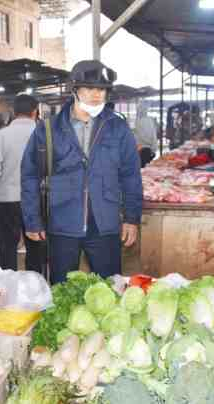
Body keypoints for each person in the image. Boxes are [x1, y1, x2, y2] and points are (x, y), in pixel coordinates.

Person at [21, 60, 143, 285]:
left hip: (105, 223)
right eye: (89, 88)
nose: (97, 95)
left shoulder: (118, 128)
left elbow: (131, 175)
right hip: (62, 222)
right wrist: (32, 220)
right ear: (74, 90)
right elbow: (30, 174)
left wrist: (132, 218)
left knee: (110, 289)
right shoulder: (48, 129)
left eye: (102, 90)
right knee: (62, 288)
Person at [0, 94, 46, 272]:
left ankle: (9, 287)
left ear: (13, 111)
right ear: (35, 111)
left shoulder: (1, 136)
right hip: (37, 199)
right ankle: (35, 286)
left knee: (8, 247)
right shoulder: (44, 135)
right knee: (36, 247)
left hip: (8, 200)